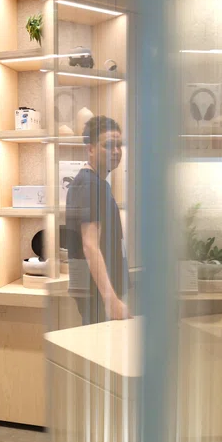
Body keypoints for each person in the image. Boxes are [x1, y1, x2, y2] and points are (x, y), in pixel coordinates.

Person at [66, 115, 130, 324]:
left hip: (97, 291)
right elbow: (90, 245)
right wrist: (110, 298)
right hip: (99, 294)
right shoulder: (91, 185)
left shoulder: (94, 183)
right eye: (108, 145)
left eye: (119, 145)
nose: (116, 151)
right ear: (90, 149)